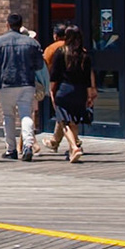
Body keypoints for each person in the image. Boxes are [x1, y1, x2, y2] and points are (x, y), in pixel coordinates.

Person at [0, 14, 42, 161]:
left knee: (8, 115)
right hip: (26, 83)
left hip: (6, 83)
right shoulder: (32, 43)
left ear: (7, 24)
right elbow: (39, 65)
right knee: (26, 114)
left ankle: (11, 149)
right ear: (21, 25)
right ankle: (28, 145)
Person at [46, 24, 94, 163]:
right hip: (80, 91)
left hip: (64, 89)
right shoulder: (85, 55)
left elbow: (55, 75)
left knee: (64, 120)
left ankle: (74, 146)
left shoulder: (61, 52)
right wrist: (89, 95)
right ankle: (73, 149)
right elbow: (87, 78)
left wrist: (52, 90)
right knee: (73, 120)